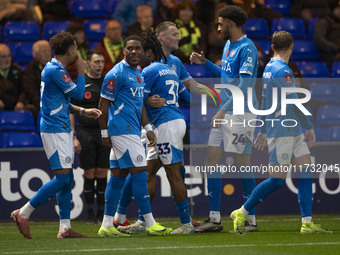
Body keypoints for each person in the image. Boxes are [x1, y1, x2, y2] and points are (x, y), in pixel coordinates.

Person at [230, 31, 333, 235]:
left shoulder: (268, 67)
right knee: (277, 179)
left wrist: (262, 130)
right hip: (283, 131)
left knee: (305, 171)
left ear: (272, 47)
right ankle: (241, 212)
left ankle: (306, 223)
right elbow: (293, 100)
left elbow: (266, 101)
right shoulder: (283, 70)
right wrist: (310, 126)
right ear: (292, 46)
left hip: (289, 129)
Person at [10, 32, 101, 239]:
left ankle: (65, 228)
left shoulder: (55, 69)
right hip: (54, 129)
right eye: (76, 48)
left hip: (60, 127)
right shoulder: (55, 70)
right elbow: (79, 94)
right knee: (62, 179)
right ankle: (23, 213)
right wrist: (80, 72)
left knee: (67, 179)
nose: (78, 53)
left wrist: (82, 111)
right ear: (70, 51)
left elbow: (61, 102)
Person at [190, 5, 258, 232]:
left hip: (242, 111)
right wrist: (206, 63)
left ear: (231, 22)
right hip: (226, 110)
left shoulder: (248, 48)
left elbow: (246, 85)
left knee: (242, 163)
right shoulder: (229, 45)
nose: (218, 28)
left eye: (220, 23)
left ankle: (250, 220)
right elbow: (227, 74)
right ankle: (215, 219)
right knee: (211, 160)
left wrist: (223, 110)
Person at [97, 35, 172, 237]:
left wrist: (148, 128)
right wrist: (104, 133)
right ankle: (149, 222)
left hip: (132, 130)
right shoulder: (115, 74)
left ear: (142, 51)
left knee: (118, 178)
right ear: (123, 51)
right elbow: (102, 105)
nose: (133, 52)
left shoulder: (138, 73)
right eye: (129, 48)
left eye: (137, 48)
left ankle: (105, 226)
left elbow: (139, 105)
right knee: (140, 174)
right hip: (122, 130)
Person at [70, 49, 110, 225]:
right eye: (96, 62)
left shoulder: (108, 81)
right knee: (89, 173)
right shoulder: (81, 83)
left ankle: (101, 215)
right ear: (88, 64)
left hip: (105, 133)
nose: (100, 65)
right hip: (85, 133)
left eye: (102, 62)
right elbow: (71, 111)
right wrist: (73, 136)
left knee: (102, 173)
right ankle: (90, 215)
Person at [22, 40, 52, 119]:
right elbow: (30, 89)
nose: (47, 53)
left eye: (49, 50)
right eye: (44, 51)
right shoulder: (31, 68)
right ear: (36, 54)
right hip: (38, 102)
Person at [0, 44, 25, 111]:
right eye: (4, 57)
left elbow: (24, 90)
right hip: (1, 105)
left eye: (9, 56)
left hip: (16, 104)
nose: (7, 59)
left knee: (31, 109)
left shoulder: (18, 71)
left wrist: (21, 102)